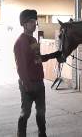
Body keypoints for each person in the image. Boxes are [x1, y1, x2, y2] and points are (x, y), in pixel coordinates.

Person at [14, 9, 61, 137]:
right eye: (31, 22)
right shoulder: (21, 42)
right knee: (26, 112)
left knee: (41, 112)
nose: (34, 24)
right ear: (24, 24)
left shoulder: (33, 40)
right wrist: (27, 85)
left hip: (39, 84)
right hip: (28, 84)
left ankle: (42, 134)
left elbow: (38, 58)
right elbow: (21, 67)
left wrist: (54, 55)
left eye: (35, 21)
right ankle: (21, 134)